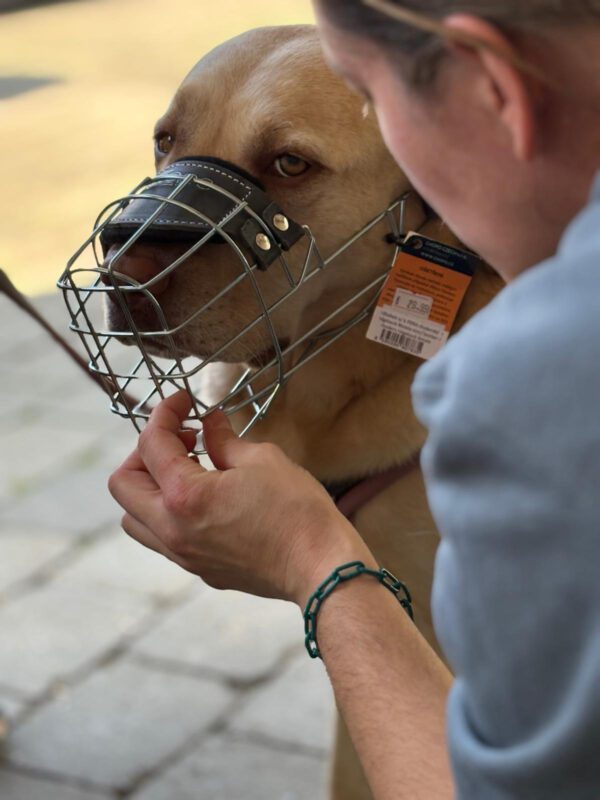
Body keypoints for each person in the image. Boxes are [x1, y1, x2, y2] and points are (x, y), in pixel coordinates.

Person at [108, 2, 600, 797]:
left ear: (494, 88)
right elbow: (394, 682)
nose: (135, 264)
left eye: (290, 166)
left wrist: (314, 560)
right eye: (173, 144)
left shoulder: (527, 387)